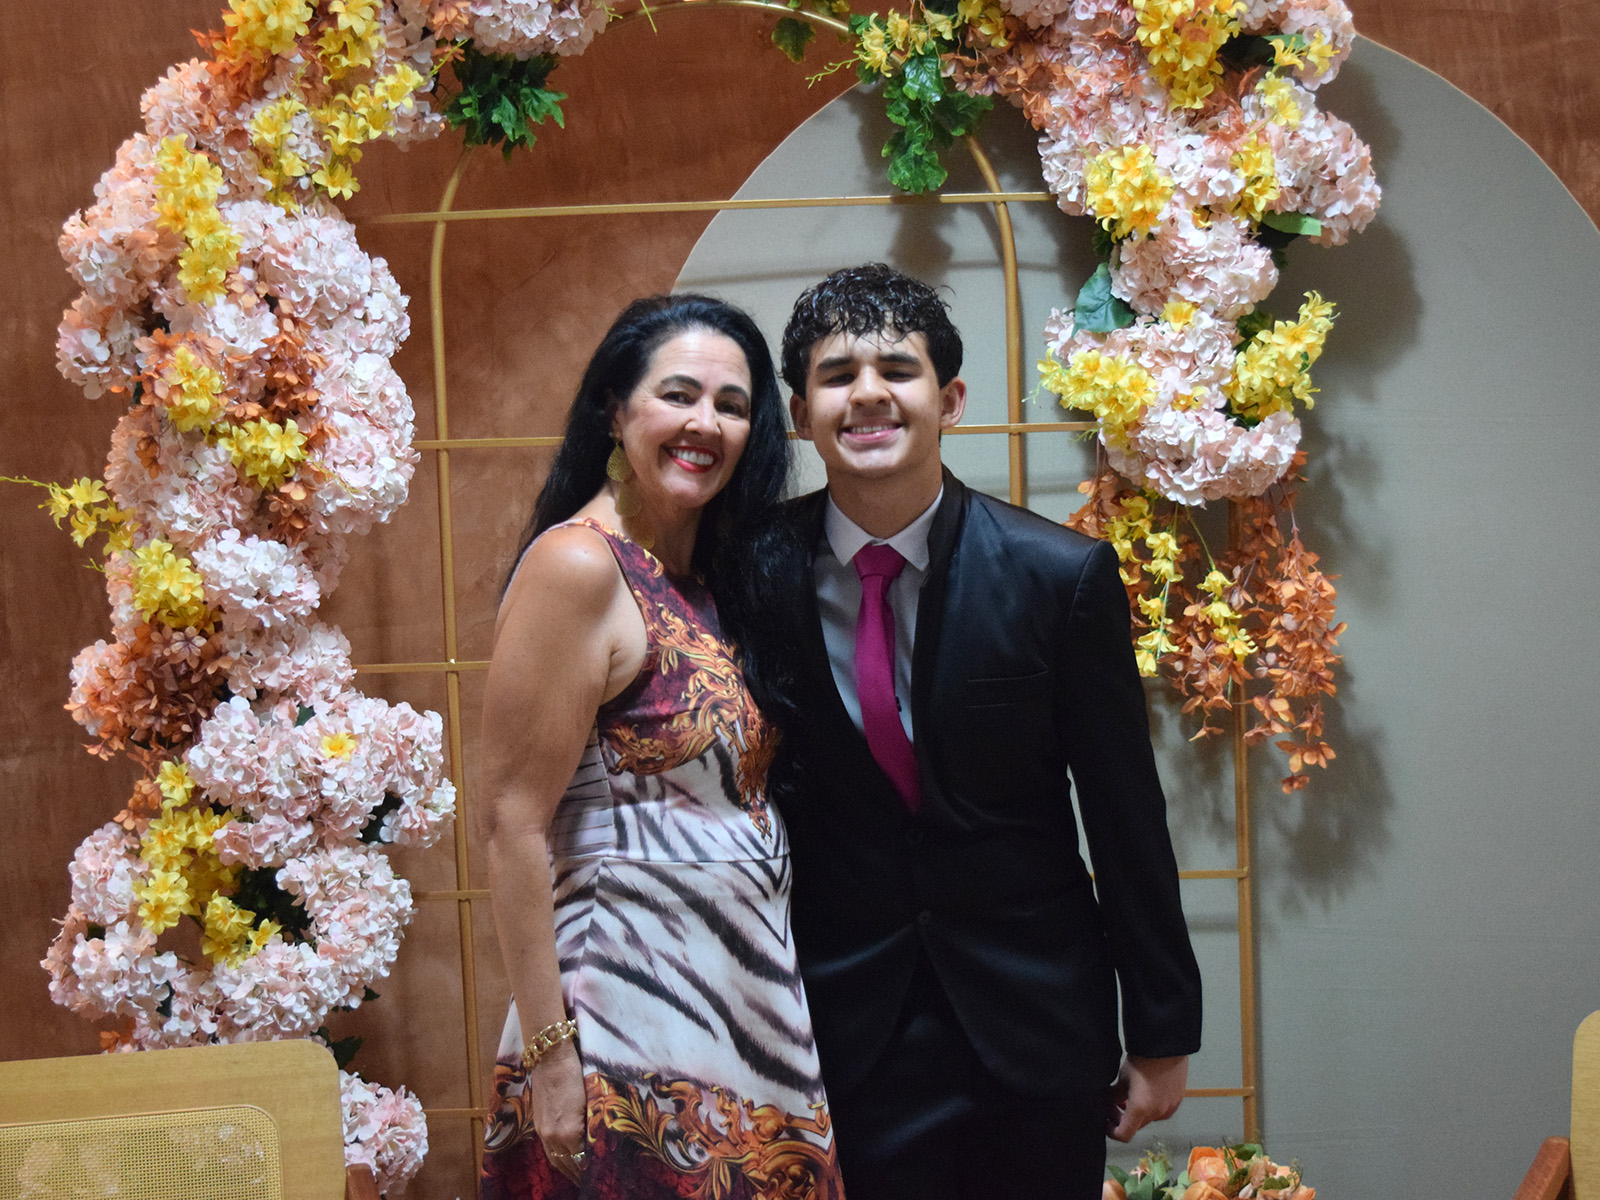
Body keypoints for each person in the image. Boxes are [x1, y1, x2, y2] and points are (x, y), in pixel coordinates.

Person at [751, 264, 1203, 1200]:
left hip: (1034, 1019)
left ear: (950, 400)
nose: (867, 394)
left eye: (897, 370)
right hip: (843, 1024)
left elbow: (1125, 815)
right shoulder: (749, 573)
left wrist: (1162, 1033)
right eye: (836, 376)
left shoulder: (1060, 576)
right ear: (799, 414)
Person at [477, 294, 844, 1200]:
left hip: (741, 1009)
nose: (705, 424)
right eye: (678, 394)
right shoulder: (580, 565)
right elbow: (511, 827)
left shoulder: (714, 578)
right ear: (615, 409)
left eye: (731, 404)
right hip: (622, 1023)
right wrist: (552, 1060)